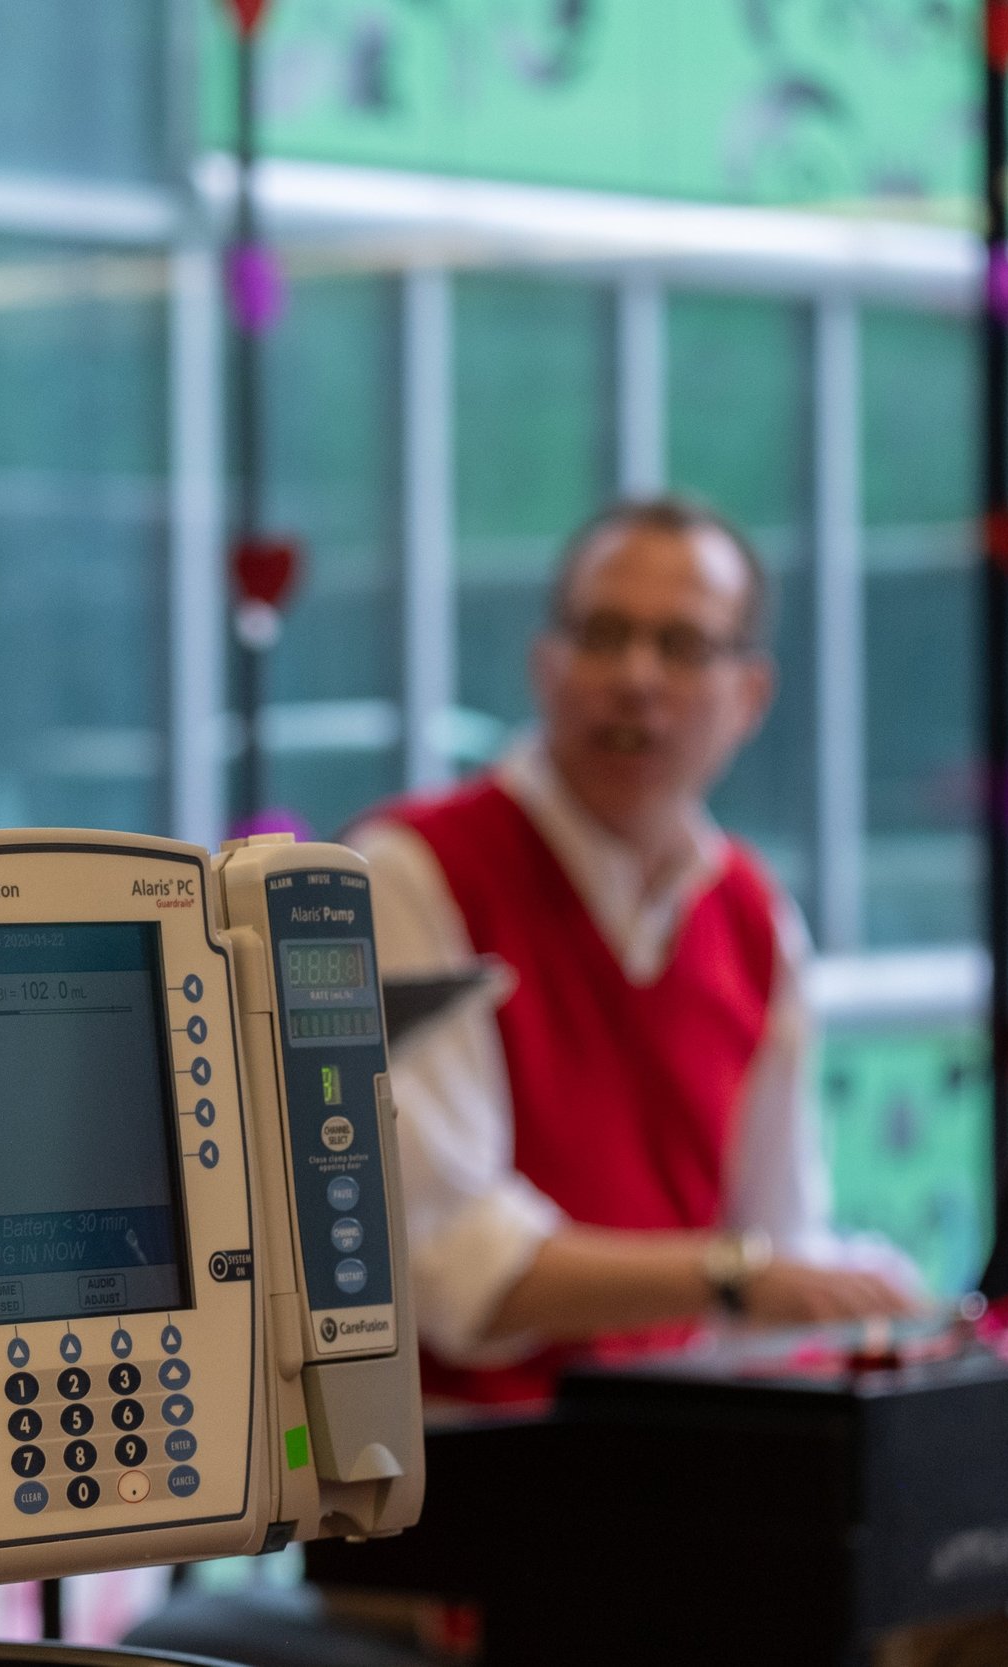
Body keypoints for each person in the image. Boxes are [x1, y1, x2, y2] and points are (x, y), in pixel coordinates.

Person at [347, 497, 919, 1404]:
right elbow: (452, 1263)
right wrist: (733, 1274)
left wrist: (847, 1288)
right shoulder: (410, 874)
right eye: (603, 636)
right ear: (545, 664)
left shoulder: (754, 916)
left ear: (750, 696)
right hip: (466, 1461)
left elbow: (781, 1236)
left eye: (682, 645)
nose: (636, 677)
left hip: (685, 1438)